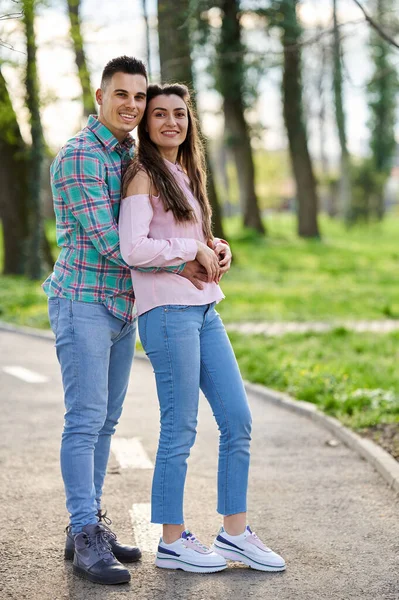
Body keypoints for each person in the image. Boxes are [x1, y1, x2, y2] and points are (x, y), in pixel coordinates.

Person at [43, 56, 209, 585]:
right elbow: (115, 246)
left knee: (107, 423)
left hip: (123, 307)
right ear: (100, 96)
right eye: (122, 95)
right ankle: (85, 530)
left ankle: (85, 525)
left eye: (140, 97)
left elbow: (161, 220)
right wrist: (187, 255)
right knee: (85, 419)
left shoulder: (129, 155)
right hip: (84, 303)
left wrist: (208, 245)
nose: (133, 106)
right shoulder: (79, 157)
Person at [119, 83, 286, 574]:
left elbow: (186, 236)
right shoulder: (143, 174)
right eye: (159, 115)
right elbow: (134, 249)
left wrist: (214, 245)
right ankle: (172, 541)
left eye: (179, 114)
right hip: (166, 313)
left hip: (205, 308)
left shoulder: (185, 172)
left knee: (238, 420)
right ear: (146, 125)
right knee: (180, 427)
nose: (171, 122)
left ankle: (235, 534)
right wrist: (189, 251)